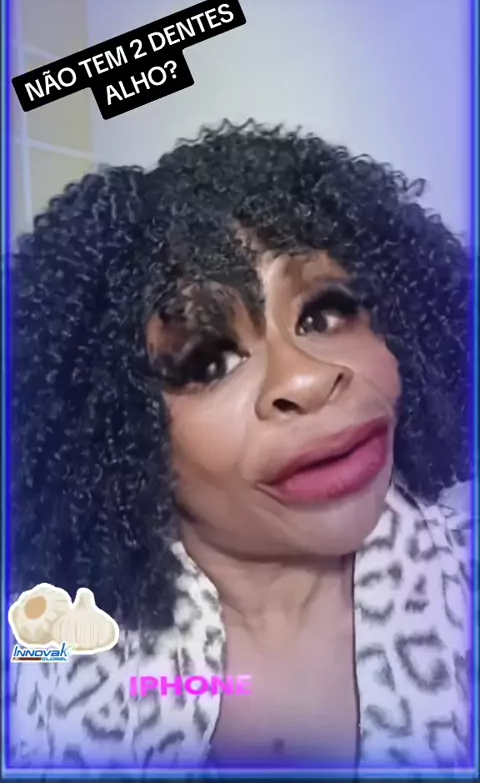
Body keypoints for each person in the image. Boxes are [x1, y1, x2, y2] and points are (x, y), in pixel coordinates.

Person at [8, 120, 471, 771]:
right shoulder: (44, 651)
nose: (305, 378)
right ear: (118, 432)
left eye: (324, 313)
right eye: (208, 361)